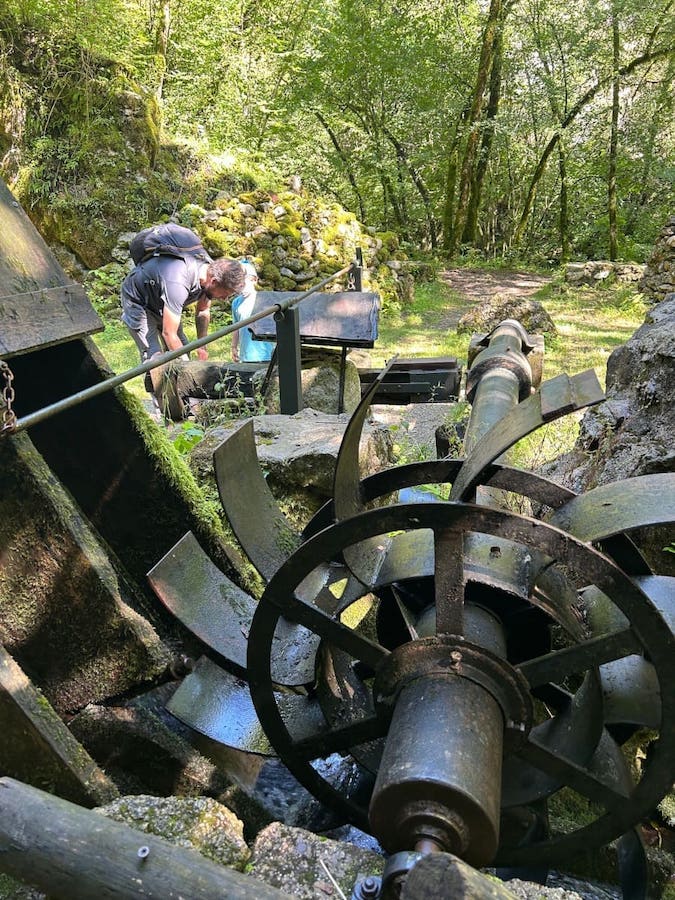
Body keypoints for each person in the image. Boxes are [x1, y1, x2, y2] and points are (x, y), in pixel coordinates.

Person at [121, 249, 245, 367]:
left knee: (183, 347)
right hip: (139, 302)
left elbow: (202, 310)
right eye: (225, 294)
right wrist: (187, 368)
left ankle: (177, 386)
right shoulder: (179, 281)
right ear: (213, 282)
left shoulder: (209, 272)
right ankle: (157, 387)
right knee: (154, 357)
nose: (224, 299)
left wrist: (202, 345)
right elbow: (169, 333)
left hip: (163, 301)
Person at [230, 259, 275, 363]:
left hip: (265, 355)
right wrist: (233, 347)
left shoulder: (264, 301)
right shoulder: (236, 303)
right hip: (245, 356)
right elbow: (235, 327)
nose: (241, 288)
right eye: (238, 285)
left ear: (254, 280)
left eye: (243, 284)